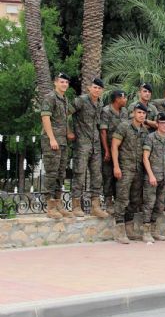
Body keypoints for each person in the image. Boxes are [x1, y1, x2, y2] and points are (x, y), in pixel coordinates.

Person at [69, 77, 109, 218]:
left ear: (102, 91)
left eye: (99, 88)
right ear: (89, 88)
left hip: (96, 143)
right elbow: (66, 113)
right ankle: (75, 205)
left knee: (96, 175)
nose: (97, 90)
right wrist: (69, 131)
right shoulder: (81, 100)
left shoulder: (100, 103)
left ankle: (95, 206)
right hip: (82, 142)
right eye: (95, 87)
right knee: (79, 173)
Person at [111, 103, 149, 244]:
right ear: (133, 113)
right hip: (125, 168)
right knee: (122, 198)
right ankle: (120, 231)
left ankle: (129, 227)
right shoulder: (124, 126)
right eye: (139, 112)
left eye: (143, 113)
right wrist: (116, 166)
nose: (141, 115)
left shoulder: (145, 131)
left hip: (138, 170)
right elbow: (115, 146)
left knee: (134, 200)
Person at [41, 72, 73, 219]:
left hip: (63, 142)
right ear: (55, 83)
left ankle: (58, 203)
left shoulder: (65, 99)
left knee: (61, 173)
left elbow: (64, 119)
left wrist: (68, 132)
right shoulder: (50, 97)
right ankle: (50, 206)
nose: (64, 84)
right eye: (62, 82)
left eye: (66, 82)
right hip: (52, 141)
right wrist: (52, 138)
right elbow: (45, 118)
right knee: (52, 173)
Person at [141, 112, 165, 242]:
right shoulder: (151, 138)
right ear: (157, 124)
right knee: (149, 204)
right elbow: (145, 158)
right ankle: (146, 232)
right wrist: (150, 175)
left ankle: (154, 230)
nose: (164, 125)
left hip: (164, 177)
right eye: (162, 123)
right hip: (152, 177)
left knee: (159, 205)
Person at [100, 90, 129, 213]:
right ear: (117, 99)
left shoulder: (124, 112)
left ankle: (119, 200)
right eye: (124, 97)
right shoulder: (106, 111)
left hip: (121, 150)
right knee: (108, 175)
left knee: (120, 175)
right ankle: (108, 201)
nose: (126, 100)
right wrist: (106, 150)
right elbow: (103, 132)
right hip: (109, 147)